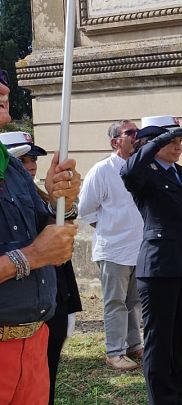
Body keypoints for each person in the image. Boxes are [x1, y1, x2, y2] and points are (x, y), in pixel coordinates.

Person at [0, 68, 81, 405]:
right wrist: (31, 256)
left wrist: (62, 202)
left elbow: (45, 229)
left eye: (4, 86)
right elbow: (38, 250)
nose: (3, 90)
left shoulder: (12, 168)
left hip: (34, 343)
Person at [120, 116, 182, 404]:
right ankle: (161, 399)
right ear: (151, 143)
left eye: (179, 140)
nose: (177, 145)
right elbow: (128, 170)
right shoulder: (144, 172)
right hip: (160, 267)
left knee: (181, 339)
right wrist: (155, 141)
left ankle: (180, 396)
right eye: (170, 141)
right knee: (160, 340)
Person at [78, 119, 145, 371]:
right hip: (114, 249)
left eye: (138, 132)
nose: (137, 136)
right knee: (115, 302)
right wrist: (110, 228)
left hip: (139, 248)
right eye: (131, 132)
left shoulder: (141, 167)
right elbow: (85, 210)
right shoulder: (102, 170)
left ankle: (134, 345)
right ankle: (115, 352)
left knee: (133, 301)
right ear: (115, 141)